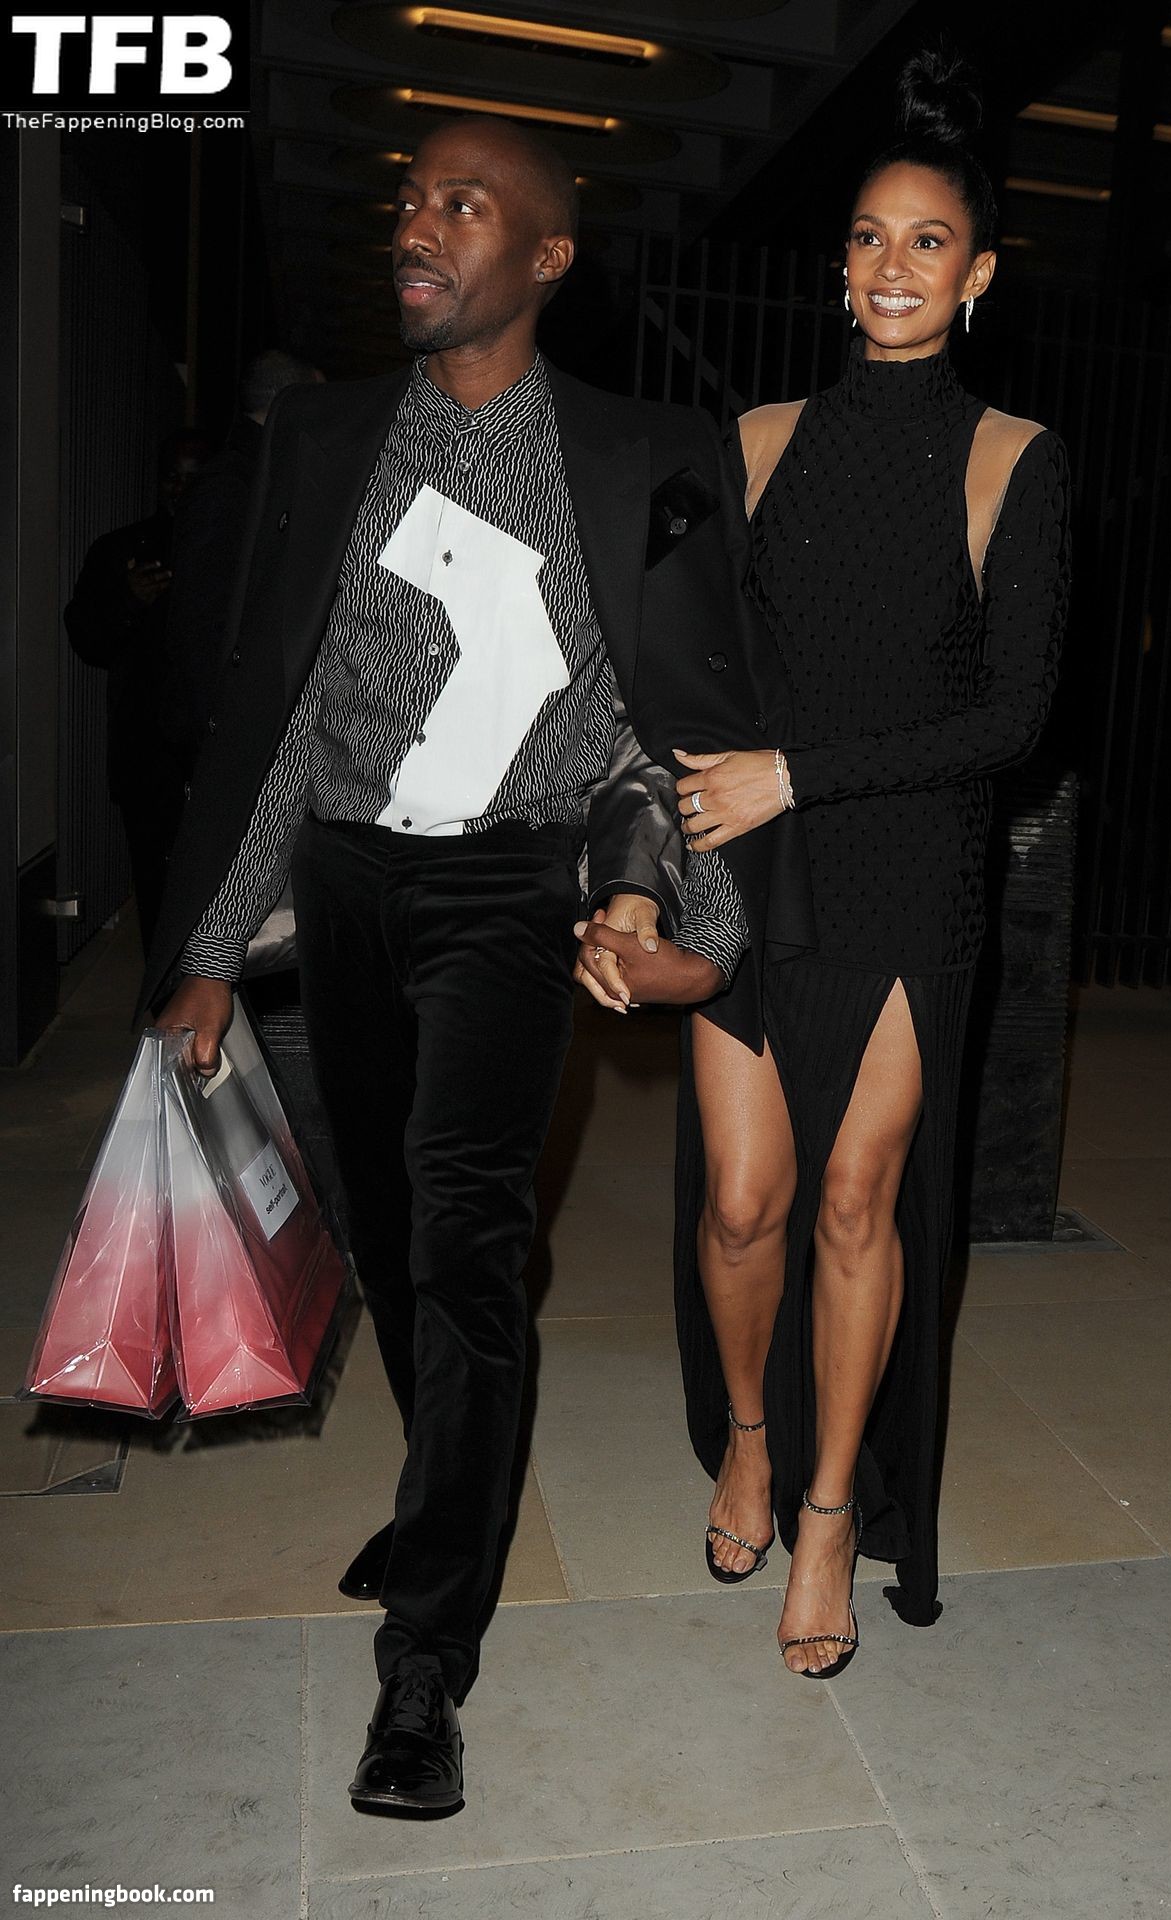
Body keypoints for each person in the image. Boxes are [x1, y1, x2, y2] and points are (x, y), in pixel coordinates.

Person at [144, 115, 806, 1816]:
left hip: (515, 889)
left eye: (464, 204)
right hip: (344, 880)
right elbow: (284, 712)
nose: (417, 227)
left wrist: (692, 930)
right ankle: (445, 1487)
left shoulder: (646, 452)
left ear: (547, 255)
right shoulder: (327, 434)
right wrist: (212, 948)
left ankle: (425, 1663)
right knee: (386, 1235)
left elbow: (682, 718)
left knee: (466, 1248)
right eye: (409, 200)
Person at [577, 52, 1070, 1678]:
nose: (892, 267)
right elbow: (678, 684)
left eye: (929, 243)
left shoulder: (1012, 460)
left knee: (857, 1200)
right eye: (869, 238)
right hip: (753, 867)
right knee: (741, 1204)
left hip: (912, 877)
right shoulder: (758, 442)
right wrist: (646, 865)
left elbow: (1013, 720)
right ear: (838, 266)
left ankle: (833, 1511)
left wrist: (802, 770)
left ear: (978, 275)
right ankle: (745, 1429)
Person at [64, 428, 210, 952]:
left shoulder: (232, 543)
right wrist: (128, 601)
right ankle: (166, 993)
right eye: (171, 477)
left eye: (193, 479)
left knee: (217, 888)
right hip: (146, 757)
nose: (180, 490)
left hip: (213, 752)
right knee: (155, 887)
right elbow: (85, 637)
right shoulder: (120, 549)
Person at [163, 350, 323, 759]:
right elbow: (200, 622)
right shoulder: (231, 487)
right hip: (224, 732)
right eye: (319, 399)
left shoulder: (263, 475)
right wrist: (222, 737)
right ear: (293, 400)